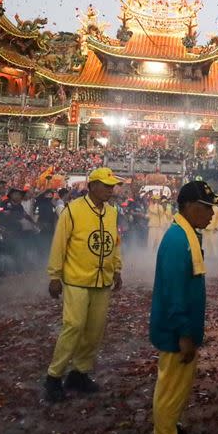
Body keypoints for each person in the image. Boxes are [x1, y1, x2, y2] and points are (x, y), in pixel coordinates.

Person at [149, 180, 218, 434]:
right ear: (189, 207)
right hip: (175, 332)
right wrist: (183, 332)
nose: (212, 213)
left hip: (182, 328)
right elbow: (173, 292)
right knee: (170, 391)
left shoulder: (187, 234)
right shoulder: (179, 240)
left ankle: (170, 433)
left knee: (178, 390)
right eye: (207, 207)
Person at [44, 167, 124, 403]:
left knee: (95, 329)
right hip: (76, 279)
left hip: (102, 280)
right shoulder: (73, 210)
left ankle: (79, 373)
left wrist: (117, 269)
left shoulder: (111, 212)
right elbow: (59, 243)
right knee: (74, 326)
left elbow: (115, 242)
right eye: (106, 185)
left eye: (112, 186)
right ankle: (53, 376)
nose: (111, 190)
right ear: (92, 186)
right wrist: (54, 275)